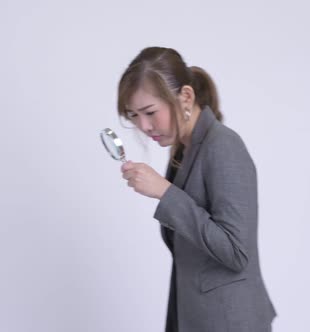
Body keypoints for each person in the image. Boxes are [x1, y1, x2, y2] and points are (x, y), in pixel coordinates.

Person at [117, 47, 276, 332]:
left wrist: (166, 193)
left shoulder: (223, 146)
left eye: (150, 112)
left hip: (229, 322)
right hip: (197, 317)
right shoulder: (184, 151)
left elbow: (237, 253)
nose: (144, 126)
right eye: (134, 116)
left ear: (186, 96)